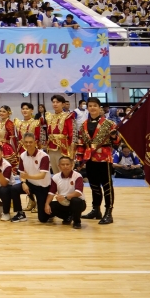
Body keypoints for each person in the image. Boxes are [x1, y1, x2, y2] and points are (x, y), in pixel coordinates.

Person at [78, 97, 118, 225]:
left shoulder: (109, 124)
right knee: (94, 186)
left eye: (95, 105)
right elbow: (81, 143)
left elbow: (117, 142)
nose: (92, 108)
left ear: (99, 107)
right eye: (90, 106)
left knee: (107, 186)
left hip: (104, 159)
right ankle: (96, 210)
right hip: (89, 158)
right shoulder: (83, 124)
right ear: (87, 108)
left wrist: (113, 136)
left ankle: (108, 212)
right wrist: (80, 160)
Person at [18, 132, 52, 223]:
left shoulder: (44, 156)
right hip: (30, 184)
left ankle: (51, 207)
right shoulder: (22, 155)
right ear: (23, 143)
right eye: (26, 142)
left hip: (43, 187)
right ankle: (19, 214)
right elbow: (22, 174)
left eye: (30, 142)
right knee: (14, 189)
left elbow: (42, 175)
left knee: (43, 219)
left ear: (35, 142)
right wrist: (23, 182)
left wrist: (28, 176)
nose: (28, 144)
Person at [45, 155, 87, 229]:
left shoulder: (78, 176)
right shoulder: (55, 177)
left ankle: (77, 221)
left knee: (75, 200)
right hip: (63, 202)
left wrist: (65, 197)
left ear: (72, 165)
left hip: (78, 203)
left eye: (67, 164)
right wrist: (47, 204)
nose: (65, 166)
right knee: (51, 206)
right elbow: (51, 192)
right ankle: (67, 217)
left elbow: (78, 192)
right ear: (59, 166)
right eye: (63, 164)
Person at [44, 95, 75, 175]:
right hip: (51, 147)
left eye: (57, 102)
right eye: (53, 102)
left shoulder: (67, 116)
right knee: (55, 172)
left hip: (63, 148)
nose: (55, 104)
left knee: (64, 171)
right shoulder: (49, 117)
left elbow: (72, 133)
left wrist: (72, 151)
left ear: (63, 104)